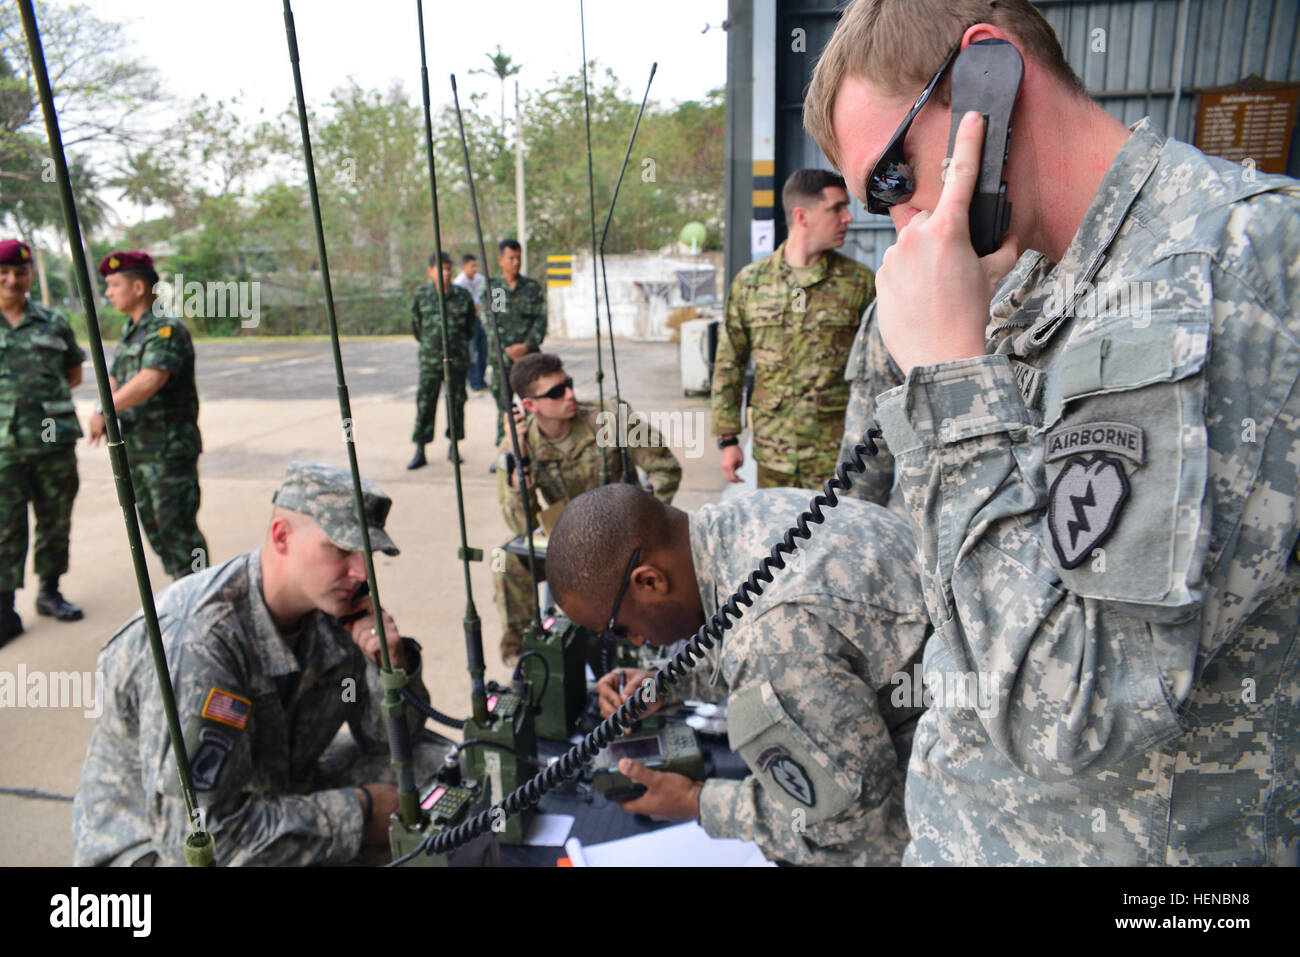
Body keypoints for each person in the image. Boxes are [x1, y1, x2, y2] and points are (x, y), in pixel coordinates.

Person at [803, 0, 1300, 865]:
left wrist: (953, 383)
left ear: (989, 79)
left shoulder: (1221, 264)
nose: (904, 227)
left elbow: (1074, 706)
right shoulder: (1034, 281)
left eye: (893, 179)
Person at [72, 461, 442, 866]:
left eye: (367, 553)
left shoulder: (336, 608)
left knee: (431, 769)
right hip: (158, 849)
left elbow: (386, 740)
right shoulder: (200, 643)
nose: (359, 571)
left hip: (269, 790)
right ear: (281, 536)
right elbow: (198, 842)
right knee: (391, 816)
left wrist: (390, 665)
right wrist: (362, 811)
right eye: (340, 549)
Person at [545, 484, 930, 866]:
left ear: (650, 581)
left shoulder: (770, 637)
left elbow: (843, 825)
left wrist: (696, 800)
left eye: (620, 628)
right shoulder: (746, 513)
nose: (639, 639)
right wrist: (665, 682)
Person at [493, 352, 681, 664]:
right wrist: (519, 467)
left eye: (567, 384)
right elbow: (519, 526)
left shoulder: (610, 415)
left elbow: (665, 469)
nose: (570, 395)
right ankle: (527, 659)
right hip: (570, 543)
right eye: (556, 392)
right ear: (530, 405)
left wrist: (640, 520)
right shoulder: (517, 445)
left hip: (628, 535)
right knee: (504, 561)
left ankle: (645, 651)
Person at [712, 169, 875, 490]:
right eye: (836, 208)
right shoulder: (751, 282)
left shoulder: (858, 282)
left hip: (839, 454)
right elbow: (729, 361)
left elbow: (879, 369)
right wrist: (728, 439)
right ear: (802, 215)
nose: (848, 218)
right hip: (775, 452)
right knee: (781, 537)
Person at [88, 250, 208, 580]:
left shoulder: (165, 328)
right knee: (156, 528)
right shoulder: (132, 331)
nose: (108, 293)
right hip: (140, 450)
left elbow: (150, 380)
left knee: (179, 530)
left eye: (113, 285)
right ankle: (182, 586)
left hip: (168, 450)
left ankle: (200, 589)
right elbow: (115, 377)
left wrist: (105, 409)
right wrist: (101, 407)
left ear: (139, 288)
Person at [0, 239, 85, 644]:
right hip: (2, 450)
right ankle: (4, 609)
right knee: (5, 528)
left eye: (20, 272)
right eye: (4, 273)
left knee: (55, 521)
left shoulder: (54, 321)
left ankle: (49, 593)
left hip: (53, 444)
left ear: (32, 274)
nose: (12, 280)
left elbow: (73, 373)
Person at [407, 251, 479, 469]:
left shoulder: (462, 296)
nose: (445, 273)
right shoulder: (421, 295)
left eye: (448, 268)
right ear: (430, 271)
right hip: (430, 361)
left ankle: (454, 447)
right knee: (425, 404)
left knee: (456, 403)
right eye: (440, 269)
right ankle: (420, 449)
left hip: (456, 361)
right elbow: (416, 327)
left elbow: (470, 329)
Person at [485, 238, 546, 446]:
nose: (516, 262)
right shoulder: (497, 289)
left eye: (519, 257)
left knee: (533, 405)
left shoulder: (531, 288)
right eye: (511, 258)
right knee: (505, 408)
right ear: (501, 260)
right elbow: (493, 324)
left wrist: (526, 347)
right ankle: (505, 450)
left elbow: (540, 321)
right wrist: (508, 350)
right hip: (503, 359)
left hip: (528, 359)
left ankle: (534, 447)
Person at [454, 253, 489, 394]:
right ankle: (474, 382)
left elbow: (489, 298)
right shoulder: (459, 283)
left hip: (482, 321)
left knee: (484, 352)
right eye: (472, 266)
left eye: (476, 265)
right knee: (471, 354)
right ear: (464, 267)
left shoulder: (480, 279)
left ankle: (481, 380)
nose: (475, 269)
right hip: (468, 323)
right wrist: (477, 304)